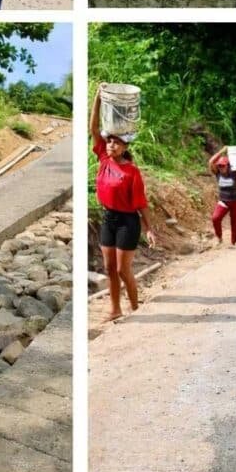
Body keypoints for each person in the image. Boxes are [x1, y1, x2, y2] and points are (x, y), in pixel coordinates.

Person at [89, 84, 155, 321]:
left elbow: (141, 203)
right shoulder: (104, 158)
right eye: (109, 142)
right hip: (109, 218)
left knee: (122, 270)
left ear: (125, 146)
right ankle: (115, 309)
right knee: (108, 268)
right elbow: (94, 127)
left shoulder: (132, 172)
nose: (111, 145)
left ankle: (136, 308)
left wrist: (149, 228)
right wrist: (98, 96)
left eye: (116, 142)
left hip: (128, 221)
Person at [209, 146, 236, 247]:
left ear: (228, 165)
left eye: (223, 166)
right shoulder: (217, 173)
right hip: (224, 201)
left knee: (234, 222)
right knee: (215, 218)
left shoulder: (234, 173)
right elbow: (211, 162)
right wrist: (222, 151)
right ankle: (219, 238)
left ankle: (233, 243)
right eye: (219, 166)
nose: (221, 168)